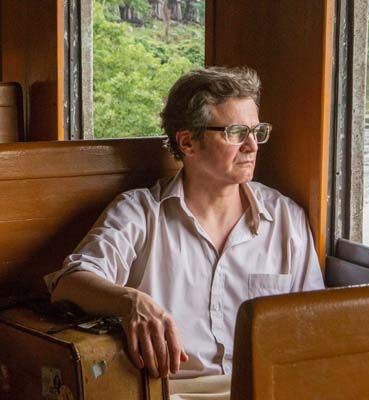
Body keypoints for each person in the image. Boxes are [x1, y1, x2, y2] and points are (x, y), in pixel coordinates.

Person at [44, 66, 325, 397]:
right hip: (171, 393)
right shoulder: (140, 213)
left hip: (266, 391)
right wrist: (131, 302)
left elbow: (313, 328)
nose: (252, 145)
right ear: (188, 142)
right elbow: (68, 281)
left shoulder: (287, 219)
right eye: (236, 132)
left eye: (256, 131)